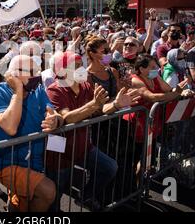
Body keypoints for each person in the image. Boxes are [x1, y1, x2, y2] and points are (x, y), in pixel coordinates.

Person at [46, 51, 139, 210]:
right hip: (60, 152)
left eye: (80, 65)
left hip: (83, 146)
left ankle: (86, 196)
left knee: (110, 167)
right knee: (57, 192)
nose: (81, 69)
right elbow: (66, 118)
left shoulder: (86, 86)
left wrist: (116, 105)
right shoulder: (54, 89)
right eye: (75, 66)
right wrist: (93, 105)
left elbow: (101, 108)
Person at [0, 55, 63, 212]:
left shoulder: (39, 90)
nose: (37, 75)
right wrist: (18, 90)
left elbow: (53, 113)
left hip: (33, 160)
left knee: (23, 200)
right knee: (47, 191)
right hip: (5, 162)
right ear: (14, 74)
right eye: (32, 71)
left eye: (37, 70)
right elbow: (10, 127)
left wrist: (56, 120)